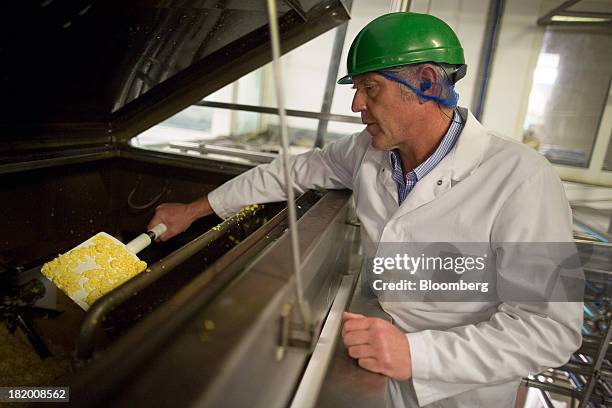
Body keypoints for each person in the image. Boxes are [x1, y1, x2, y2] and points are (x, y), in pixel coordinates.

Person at [148, 12, 582, 408]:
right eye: (357, 89)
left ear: (428, 83)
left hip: (460, 391)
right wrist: (193, 209)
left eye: (370, 88)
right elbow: (291, 172)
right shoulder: (367, 153)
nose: (356, 105)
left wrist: (417, 354)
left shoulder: (523, 179)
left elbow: (550, 329)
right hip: (377, 359)